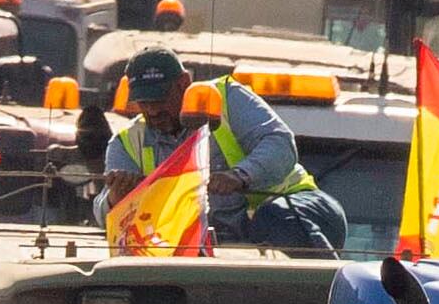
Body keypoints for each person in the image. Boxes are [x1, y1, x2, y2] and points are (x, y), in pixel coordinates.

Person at [100, 47, 357, 255]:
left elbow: (280, 144)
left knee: (275, 219)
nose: (153, 111)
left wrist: (239, 176)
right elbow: (107, 216)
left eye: (159, 100)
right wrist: (114, 199)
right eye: (144, 103)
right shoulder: (125, 144)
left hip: (302, 209)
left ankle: (333, 296)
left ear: (184, 83)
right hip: (218, 244)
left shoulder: (225, 97)